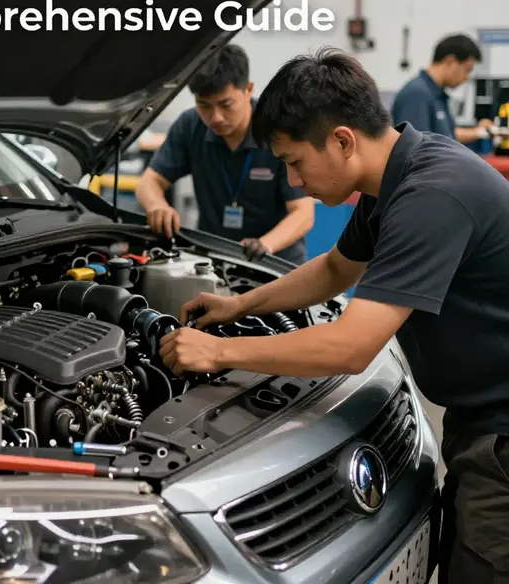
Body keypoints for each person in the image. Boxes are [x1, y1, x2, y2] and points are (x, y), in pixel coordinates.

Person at [158, 48, 509, 584]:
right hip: (478, 419)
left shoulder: (431, 196)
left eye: (295, 162)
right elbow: (334, 270)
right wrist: (240, 304)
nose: (294, 181)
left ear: (343, 140)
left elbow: (350, 347)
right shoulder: (395, 178)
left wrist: (220, 350)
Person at [135, 43, 315, 264]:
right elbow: (149, 182)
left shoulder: (278, 131)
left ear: (248, 89)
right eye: (204, 105)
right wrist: (157, 206)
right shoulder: (190, 126)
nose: (216, 117)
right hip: (214, 261)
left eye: (226, 104)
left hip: (274, 263)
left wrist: (264, 245)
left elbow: (303, 213)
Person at [391, 33, 493, 143]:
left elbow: (447, 135)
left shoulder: (437, 94)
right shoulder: (416, 94)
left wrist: (480, 132)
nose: (467, 77)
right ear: (450, 62)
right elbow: (416, 147)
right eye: (467, 70)